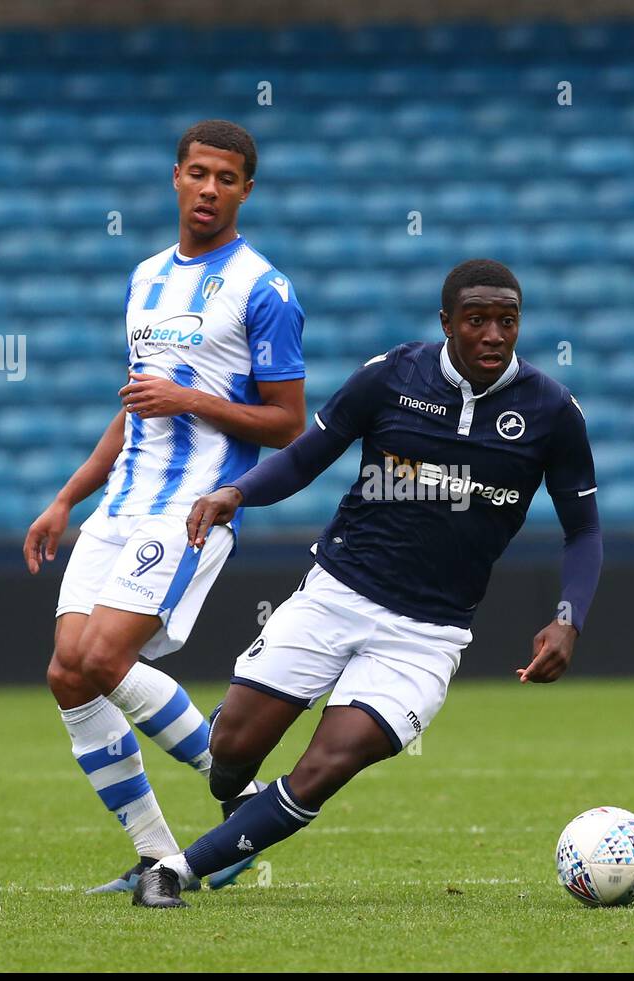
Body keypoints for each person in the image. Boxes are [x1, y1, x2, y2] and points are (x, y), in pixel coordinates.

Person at [132, 258, 601, 908]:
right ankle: (239, 792)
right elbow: (303, 458)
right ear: (447, 324)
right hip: (336, 594)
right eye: (477, 320)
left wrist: (568, 616)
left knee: (327, 765)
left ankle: (173, 874)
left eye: (507, 321)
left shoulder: (550, 411)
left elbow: (584, 531)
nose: (494, 334)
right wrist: (234, 493)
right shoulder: (389, 378)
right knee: (230, 749)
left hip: (427, 635)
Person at [23, 120, 305, 893]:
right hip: (118, 508)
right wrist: (65, 499)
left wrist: (189, 397)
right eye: (197, 173)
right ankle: (155, 854)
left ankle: (242, 801)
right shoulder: (144, 277)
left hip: (193, 509)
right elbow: (136, 407)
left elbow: (287, 421)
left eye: (227, 178)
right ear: (175, 176)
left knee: (104, 660)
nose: (210, 188)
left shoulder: (264, 289)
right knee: (68, 676)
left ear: (246, 189)